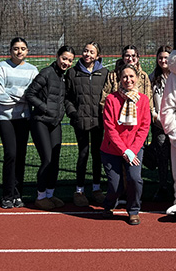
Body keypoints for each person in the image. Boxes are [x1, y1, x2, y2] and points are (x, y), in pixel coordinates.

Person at [99, 64, 151, 225]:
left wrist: (132, 151)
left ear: (136, 78)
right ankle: (109, 205)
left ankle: (133, 210)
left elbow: (144, 127)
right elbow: (110, 128)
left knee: (135, 179)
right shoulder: (111, 99)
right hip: (112, 149)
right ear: (119, 79)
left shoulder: (143, 100)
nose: (128, 80)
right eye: (124, 77)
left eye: (131, 76)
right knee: (116, 185)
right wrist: (124, 150)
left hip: (134, 149)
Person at [25, 45, 75, 210]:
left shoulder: (63, 77)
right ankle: (40, 196)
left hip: (55, 123)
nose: (66, 62)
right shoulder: (47, 72)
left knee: (55, 160)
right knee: (46, 159)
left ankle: (50, 194)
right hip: (40, 121)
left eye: (69, 60)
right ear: (57, 56)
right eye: (64, 58)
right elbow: (30, 94)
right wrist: (45, 108)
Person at [0, 38, 39, 209]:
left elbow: (32, 94)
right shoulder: (2, 67)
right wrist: (21, 96)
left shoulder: (32, 70)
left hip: (24, 118)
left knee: (21, 156)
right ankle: (7, 195)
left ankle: (17, 194)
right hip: (5, 118)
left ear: (27, 51)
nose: (19, 51)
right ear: (10, 50)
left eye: (22, 49)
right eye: (15, 48)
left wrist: (12, 93)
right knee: (10, 154)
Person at [65, 41, 108, 206]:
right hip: (80, 120)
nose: (88, 54)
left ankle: (97, 189)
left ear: (97, 56)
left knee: (97, 155)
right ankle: (79, 190)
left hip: (99, 121)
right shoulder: (72, 73)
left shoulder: (104, 73)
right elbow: (68, 97)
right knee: (83, 154)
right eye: (85, 51)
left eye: (92, 52)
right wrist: (73, 113)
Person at [148, 45, 174, 202]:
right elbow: (150, 102)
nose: (163, 60)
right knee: (162, 155)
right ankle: (163, 186)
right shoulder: (152, 77)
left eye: (166, 57)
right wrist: (155, 116)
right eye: (160, 58)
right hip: (159, 124)